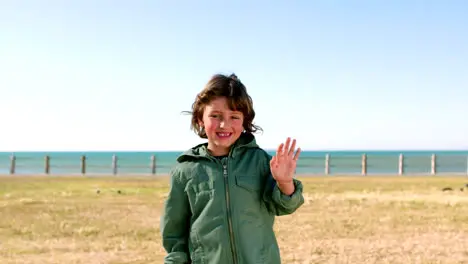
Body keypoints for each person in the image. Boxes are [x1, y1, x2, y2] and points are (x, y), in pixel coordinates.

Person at [160, 73, 305, 264]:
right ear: (200, 118)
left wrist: (284, 182)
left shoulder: (259, 161)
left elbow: (285, 206)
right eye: (215, 115)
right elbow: (174, 235)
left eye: (234, 116)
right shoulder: (185, 169)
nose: (224, 124)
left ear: (245, 121)